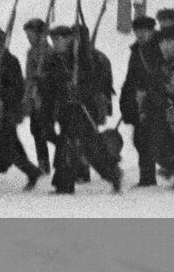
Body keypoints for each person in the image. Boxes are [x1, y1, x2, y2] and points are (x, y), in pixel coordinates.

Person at [39, 25, 121, 194]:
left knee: (87, 147)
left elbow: (96, 83)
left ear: (69, 39)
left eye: (60, 39)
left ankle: (111, 174)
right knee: (70, 145)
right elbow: (48, 89)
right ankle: (65, 183)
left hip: (83, 110)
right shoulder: (52, 60)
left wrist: (80, 90)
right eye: (53, 39)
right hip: (64, 110)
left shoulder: (83, 58)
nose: (56, 43)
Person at [0, 26, 42, 191]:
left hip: (6, 112)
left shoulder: (9, 61)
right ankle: (31, 172)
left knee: (0, 148)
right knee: (6, 147)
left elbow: (17, 89)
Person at [120, 16, 164, 186]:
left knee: (157, 139)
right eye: (137, 30)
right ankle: (147, 177)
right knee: (140, 139)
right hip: (141, 102)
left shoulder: (161, 48)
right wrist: (126, 102)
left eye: (144, 30)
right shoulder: (136, 51)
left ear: (152, 31)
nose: (140, 34)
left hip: (159, 100)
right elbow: (130, 78)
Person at [22, 19, 56, 174]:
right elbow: (29, 77)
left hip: (46, 98)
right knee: (36, 130)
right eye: (27, 34)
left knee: (47, 132)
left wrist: (41, 79)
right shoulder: (31, 52)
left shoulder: (49, 52)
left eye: (31, 34)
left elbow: (51, 77)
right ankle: (43, 163)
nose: (28, 37)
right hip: (34, 97)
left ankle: (69, 152)